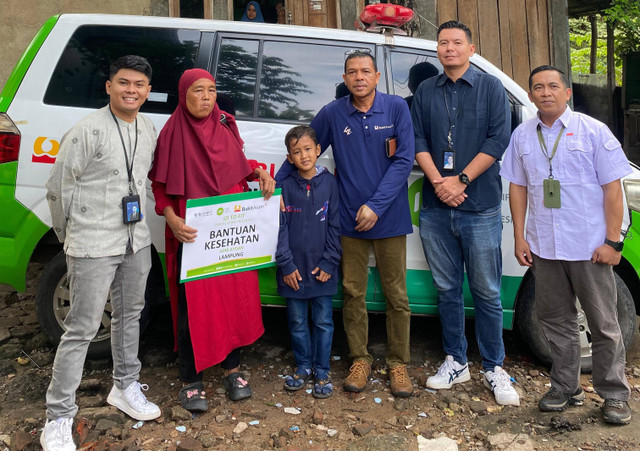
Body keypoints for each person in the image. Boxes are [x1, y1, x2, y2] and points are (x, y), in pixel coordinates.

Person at [276, 49, 415, 398]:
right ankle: (360, 359)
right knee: (353, 293)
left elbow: (404, 161)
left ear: (377, 76)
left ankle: (398, 364)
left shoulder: (397, 109)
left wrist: (376, 206)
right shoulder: (333, 113)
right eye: (352, 72)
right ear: (345, 77)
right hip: (348, 221)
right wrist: (278, 186)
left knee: (396, 295)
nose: (359, 77)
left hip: (389, 217)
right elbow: (300, 149)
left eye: (365, 71)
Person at [500, 65, 633, 424]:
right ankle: (564, 386)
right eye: (538, 87)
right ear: (530, 95)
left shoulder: (593, 131)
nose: (546, 92)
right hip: (544, 247)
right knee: (556, 321)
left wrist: (612, 241)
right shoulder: (523, 136)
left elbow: (612, 189)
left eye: (553, 86)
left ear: (567, 92)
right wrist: (519, 235)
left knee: (604, 323)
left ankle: (615, 394)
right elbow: (517, 185)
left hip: (589, 247)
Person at [42, 55, 160, 450]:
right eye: (124, 83)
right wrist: (70, 237)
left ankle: (125, 386)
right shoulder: (87, 130)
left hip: (135, 241)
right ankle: (58, 415)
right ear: (109, 86)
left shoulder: (147, 127)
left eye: (139, 84)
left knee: (130, 315)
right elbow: (59, 187)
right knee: (82, 328)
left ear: (147, 90)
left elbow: (142, 182)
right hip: (93, 243)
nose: (132, 90)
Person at [148, 68, 275, 411]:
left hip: (231, 234)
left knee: (233, 300)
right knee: (194, 308)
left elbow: (235, 161)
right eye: (198, 91)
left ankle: (232, 369)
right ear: (183, 94)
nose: (206, 97)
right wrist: (172, 219)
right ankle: (191, 379)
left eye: (211, 90)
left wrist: (259, 172)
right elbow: (159, 187)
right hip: (193, 235)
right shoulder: (172, 133)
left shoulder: (224, 123)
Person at [411, 20, 520, 406]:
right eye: (443, 43)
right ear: (437, 50)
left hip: (479, 206)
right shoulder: (426, 90)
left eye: (457, 42)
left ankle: (494, 366)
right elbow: (417, 139)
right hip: (436, 208)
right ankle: (456, 360)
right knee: (448, 290)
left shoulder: (491, 87)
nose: (449, 48)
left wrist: (460, 180)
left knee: (488, 291)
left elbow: (498, 138)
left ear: (471, 49)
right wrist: (440, 182)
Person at [276, 125, 341, 398]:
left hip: (321, 271)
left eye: (307, 149)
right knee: (297, 322)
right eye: (296, 152)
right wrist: (286, 264)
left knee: (324, 322)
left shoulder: (330, 184)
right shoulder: (284, 187)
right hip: (293, 272)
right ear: (289, 158)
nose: (303, 156)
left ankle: (322, 370)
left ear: (318, 150)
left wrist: (329, 262)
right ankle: (303, 367)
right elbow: (277, 228)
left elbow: (336, 226)